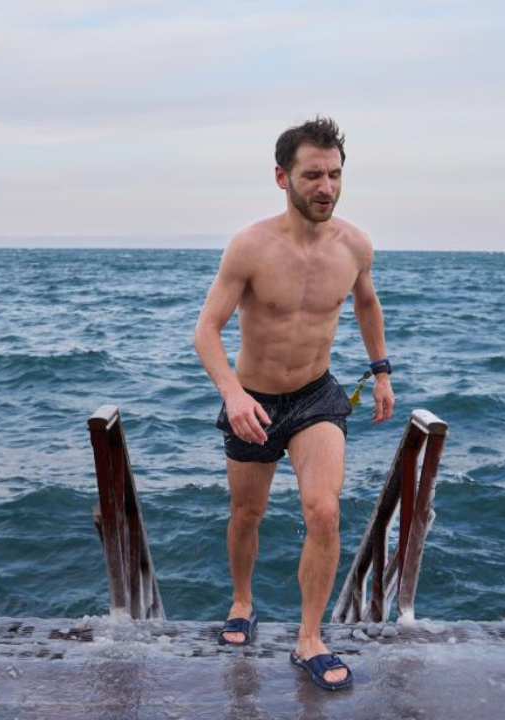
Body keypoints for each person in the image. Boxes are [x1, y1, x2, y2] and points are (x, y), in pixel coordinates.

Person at [193, 116, 395, 691]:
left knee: (324, 510)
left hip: (316, 395)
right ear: (282, 178)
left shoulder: (355, 244)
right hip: (252, 399)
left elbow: (366, 305)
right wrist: (231, 394)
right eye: (312, 175)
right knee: (247, 515)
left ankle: (310, 638)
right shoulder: (251, 246)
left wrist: (380, 372)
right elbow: (206, 330)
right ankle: (241, 601)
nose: (325, 187)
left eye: (334, 175)